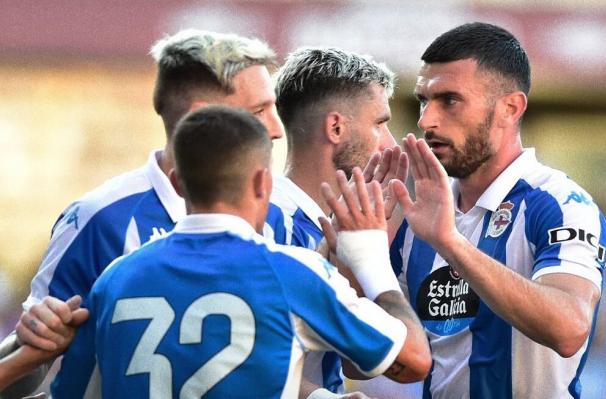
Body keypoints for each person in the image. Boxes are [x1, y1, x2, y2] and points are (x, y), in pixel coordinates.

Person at [49, 105, 431, 398]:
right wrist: (370, 258)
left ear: (178, 183)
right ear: (264, 182)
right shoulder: (293, 274)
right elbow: (413, 360)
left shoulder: (116, 277)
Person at [1, 29, 284, 396]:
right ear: (203, 116)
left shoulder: (278, 216)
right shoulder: (99, 219)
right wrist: (33, 341)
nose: (277, 129)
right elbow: (27, 369)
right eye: (259, 111)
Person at [387, 22, 606, 398]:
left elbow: (570, 328)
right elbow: (375, 360)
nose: (426, 119)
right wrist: (357, 248)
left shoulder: (559, 203)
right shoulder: (418, 222)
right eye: (424, 100)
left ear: (510, 108)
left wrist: (452, 245)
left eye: (450, 100)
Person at [263, 47, 411, 397]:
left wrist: (370, 248)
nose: (390, 143)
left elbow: (354, 359)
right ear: (336, 127)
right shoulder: (270, 222)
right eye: (380, 123)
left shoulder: (338, 223)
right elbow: (240, 352)